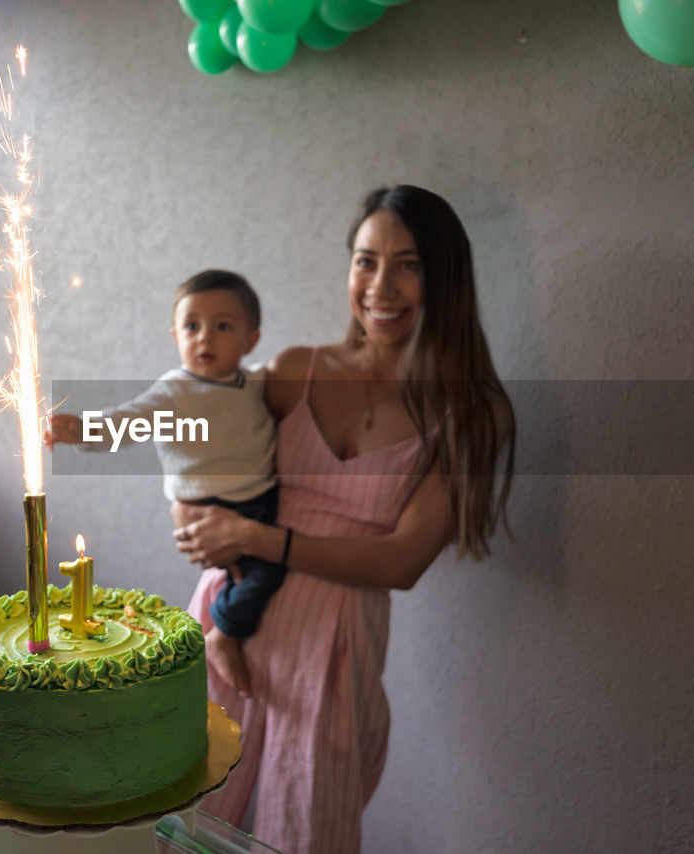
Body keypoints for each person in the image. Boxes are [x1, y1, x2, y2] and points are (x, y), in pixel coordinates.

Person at [171, 185, 516, 854]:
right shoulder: (294, 370)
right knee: (179, 818)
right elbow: (202, 444)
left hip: (333, 654)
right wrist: (188, 514)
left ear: (445, 276)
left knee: (302, 833)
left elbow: (402, 561)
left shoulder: (472, 412)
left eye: (408, 264)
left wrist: (254, 535)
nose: (380, 286)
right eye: (366, 260)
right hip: (227, 624)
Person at [46, 269, 283, 694]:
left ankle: (225, 628)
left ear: (250, 340)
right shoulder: (176, 393)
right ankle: (223, 637)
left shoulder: (257, 382)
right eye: (192, 326)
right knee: (266, 572)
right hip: (212, 506)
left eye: (223, 326)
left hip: (262, 499)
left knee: (263, 572)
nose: (204, 338)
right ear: (175, 335)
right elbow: (128, 420)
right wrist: (83, 430)